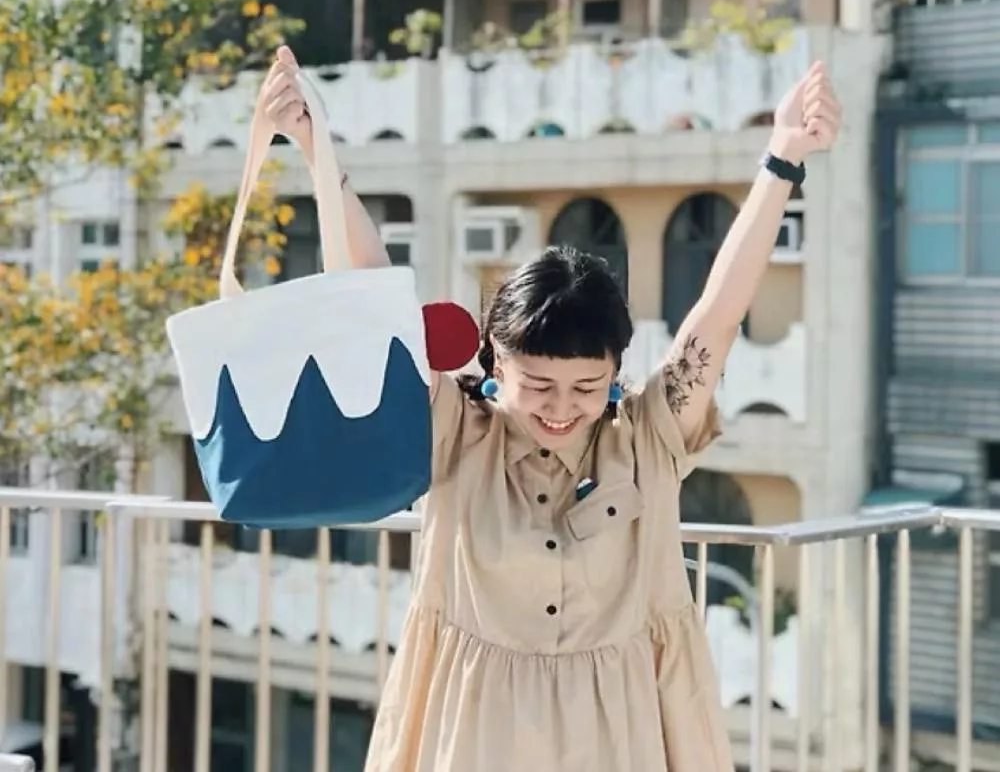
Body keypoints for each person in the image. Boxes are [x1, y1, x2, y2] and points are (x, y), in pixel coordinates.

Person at [260, 45, 843, 772]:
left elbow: (717, 317)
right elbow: (372, 303)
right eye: (537, 385)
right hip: (473, 737)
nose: (562, 407)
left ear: (616, 372)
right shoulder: (455, 432)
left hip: (621, 738)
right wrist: (316, 151)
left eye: (586, 386)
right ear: (494, 361)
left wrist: (783, 158)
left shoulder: (647, 438)